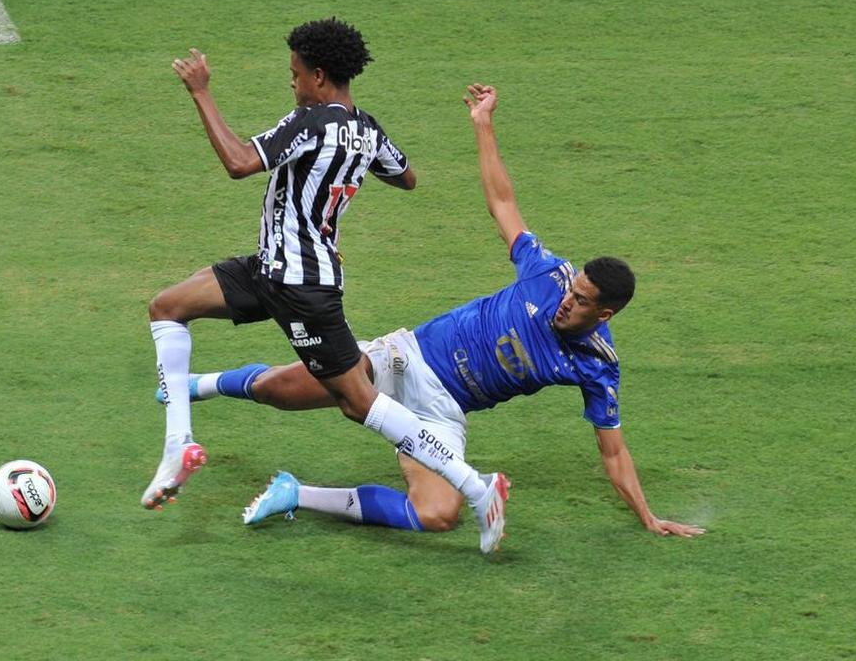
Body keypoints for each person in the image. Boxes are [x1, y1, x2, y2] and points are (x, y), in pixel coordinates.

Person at [177, 84, 705, 543]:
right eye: (575, 288)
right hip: (407, 360)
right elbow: (503, 203)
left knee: (437, 514)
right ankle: (191, 385)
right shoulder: (548, 275)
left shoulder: (597, 364)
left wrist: (649, 517)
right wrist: (484, 126)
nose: (569, 299)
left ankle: (297, 494)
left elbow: (613, 453)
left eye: (583, 301)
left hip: (442, 414)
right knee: (280, 393)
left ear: (605, 313)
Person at [143, 20, 511, 553]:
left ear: (318, 76)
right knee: (167, 307)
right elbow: (405, 176)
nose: (291, 85)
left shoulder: (310, 121)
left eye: (295, 75)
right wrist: (351, 164)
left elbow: (239, 162)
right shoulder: (367, 130)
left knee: (358, 402)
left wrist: (201, 92)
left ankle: (478, 491)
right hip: (269, 268)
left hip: (302, 288)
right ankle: (178, 445)